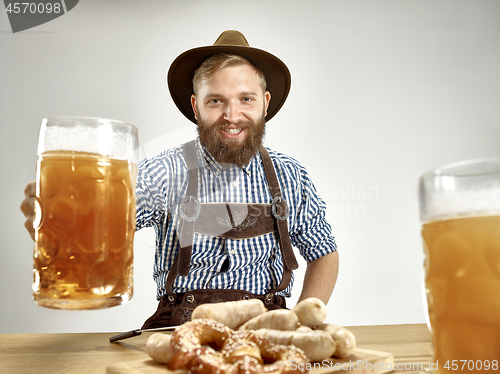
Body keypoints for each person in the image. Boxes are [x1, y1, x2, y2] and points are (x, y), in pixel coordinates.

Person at [21, 30, 339, 328]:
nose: (232, 115)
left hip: (267, 329)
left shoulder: (290, 175)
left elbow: (324, 252)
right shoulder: (166, 172)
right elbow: (102, 222)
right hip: (178, 330)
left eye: (246, 99)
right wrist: (61, 218)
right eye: (215, 101)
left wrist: (302, 325)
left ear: (264, 104)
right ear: (196, 107)